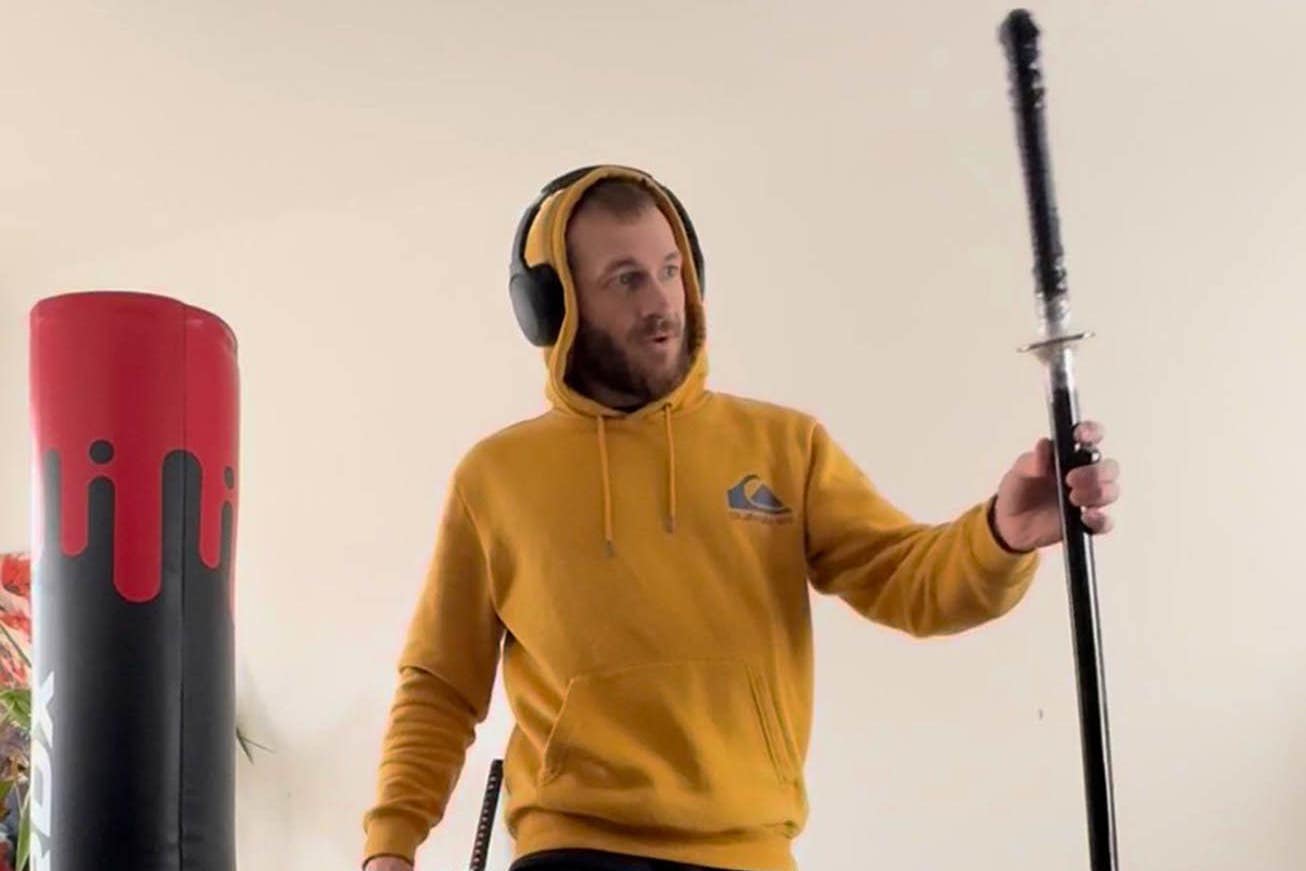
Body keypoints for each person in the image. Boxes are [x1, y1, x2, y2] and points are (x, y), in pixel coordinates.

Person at [360, 165, 1121, 871]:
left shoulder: (784, 445)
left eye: (670, 271)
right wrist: (391, 843)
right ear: (557, 307)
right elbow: (440, 683)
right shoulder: (496, 478)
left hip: (750, 852)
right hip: (574, 847)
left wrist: (1000, 534)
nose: (662, 301)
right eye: (625, 280)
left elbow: (912, 584)